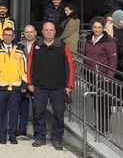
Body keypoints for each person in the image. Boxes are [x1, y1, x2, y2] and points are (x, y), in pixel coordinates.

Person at [27, 22, 74, 150]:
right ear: (42, 31)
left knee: (59, 113)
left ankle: (57, 138)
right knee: (38, 113)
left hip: (58, 87)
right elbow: (30, 65)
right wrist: (30, 82)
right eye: (46, 30)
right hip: (39, 87)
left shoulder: (63, 46)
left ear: (54, 32)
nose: (48, 32)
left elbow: (69, 67)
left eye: (51, 30)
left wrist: (69, 86)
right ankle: (40, 137)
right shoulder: (36, 46)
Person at [0, 27, 27, 144]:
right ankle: (2, 134)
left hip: (15, 87)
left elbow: (23, 69)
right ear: (3, 35)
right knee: (1, 112)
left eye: (10, 35)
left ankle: (12, 135)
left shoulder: (20, 50)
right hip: (1, 87)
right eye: (6, 34)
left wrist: (24, 84)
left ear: (14, 36)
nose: (8, 37)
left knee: (14, 112)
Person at [84, 16, 118, 134]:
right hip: (91, 75)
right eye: (95, 27)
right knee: (96, 101)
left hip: (103, 77)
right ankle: (99, 123)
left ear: (103, 28)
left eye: (99, 27)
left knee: (103, 102)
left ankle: (104, 126)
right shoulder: (88, 39)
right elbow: (85, 56)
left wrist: (109, 76)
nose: (97, 29)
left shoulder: (108, 41)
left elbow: (113, 60)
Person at [17, 25, 37, 136]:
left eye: (31, 32)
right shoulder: (19, 46)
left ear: (35, 33)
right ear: (23, 34)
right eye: (27, 32)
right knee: (23, 106)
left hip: (36, 80)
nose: (29, 34)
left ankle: (37, 130)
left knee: (37, 108)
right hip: (23, 80)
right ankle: (22, 129)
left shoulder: (41, 45)